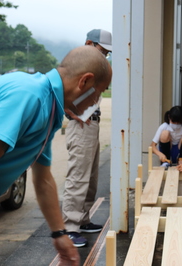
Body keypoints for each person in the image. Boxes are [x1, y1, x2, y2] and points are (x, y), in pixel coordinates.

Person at [0, 45, 112, 265]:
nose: (96, 102)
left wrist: (59, 234)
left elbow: (43, 179)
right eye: (99, 92)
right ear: (84, 82)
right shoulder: (30, 94)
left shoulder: (49, 108)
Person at [62, 29, 112, 248]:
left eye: (107, 53)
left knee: (90, 176)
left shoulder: (95, 66)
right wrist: (70, 111)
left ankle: (82, 220)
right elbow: (60, 92)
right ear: (89, 43)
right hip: (81, 124)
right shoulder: (77, 63)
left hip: (92, 122)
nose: (104, 55)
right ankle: (69, 227)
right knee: (78, 176)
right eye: (102, 50)